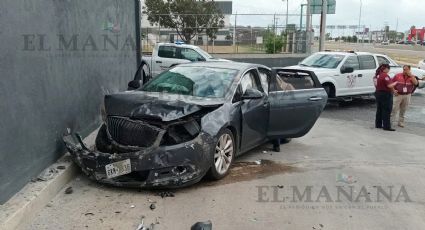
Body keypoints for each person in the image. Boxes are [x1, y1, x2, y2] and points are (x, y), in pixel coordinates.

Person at [374, 64, 397, 131]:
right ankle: (386, 126)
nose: (388, 71)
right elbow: (390, 86)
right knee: (386, 110)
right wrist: (396, 83)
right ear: (386, 69)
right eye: (388, 69)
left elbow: (375, 84)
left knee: (379, 109)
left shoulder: (377, 75)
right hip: (385, 94)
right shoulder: (385, 75)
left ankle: (378, 124)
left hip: (378, 93)